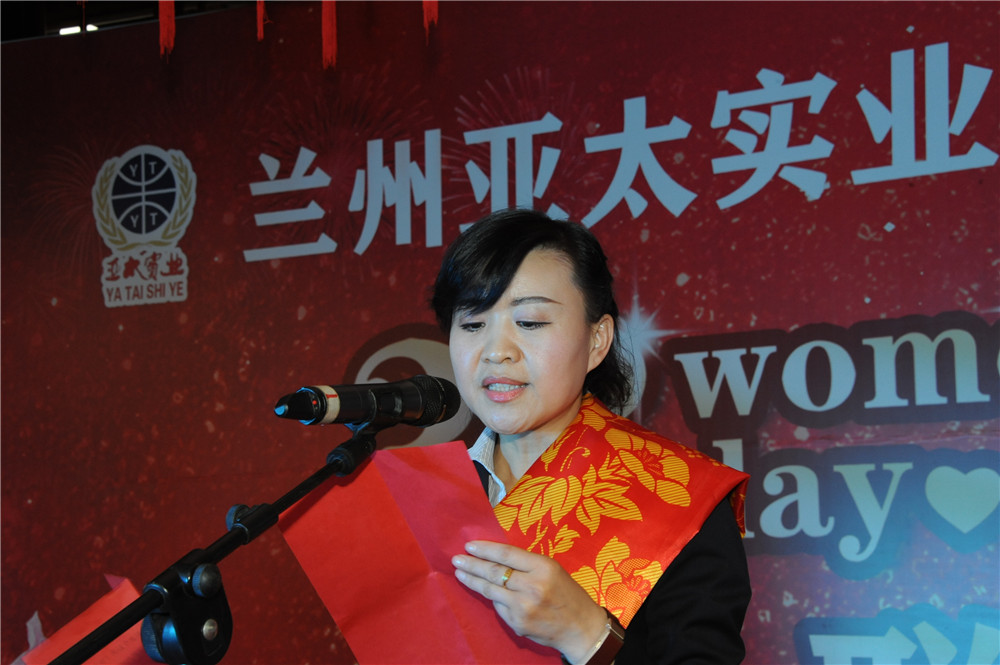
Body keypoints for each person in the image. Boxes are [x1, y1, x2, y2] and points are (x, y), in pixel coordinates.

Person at [432, 208, 752, 664]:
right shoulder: (433, 494)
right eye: (472, 324)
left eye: (530, 322)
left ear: (597, 340)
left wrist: (586, 635)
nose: (496, 351)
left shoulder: (683, 498)